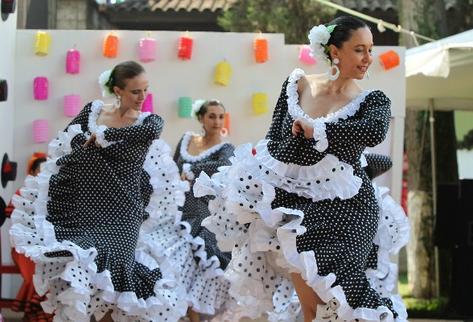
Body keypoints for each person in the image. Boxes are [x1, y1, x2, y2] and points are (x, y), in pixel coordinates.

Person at [194, 16, 408, 322]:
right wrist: (295, 140)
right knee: (312, 308)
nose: (368, 58)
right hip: (295, 209)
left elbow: (372, 132)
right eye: (359, 49)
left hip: (348, 211)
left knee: (341, 300)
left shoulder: (371, 101)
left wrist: (317, 132)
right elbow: (274, 140)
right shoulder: (298, 85)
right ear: (335, 51)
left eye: (370, 50)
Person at [9, 61, 190, 322]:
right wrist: (85, 143)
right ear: (118, 90)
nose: (142, 97)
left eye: (145, 91)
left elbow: (147, 131)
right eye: (135, 92)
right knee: (88, 277)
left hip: (125, 213)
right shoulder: (92, 111)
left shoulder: (149, 122)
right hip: (88, 209)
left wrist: (104, 137)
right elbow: (68, 143)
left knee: (116, 278)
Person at [173, 100, 236, 322]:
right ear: (201, 118)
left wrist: (191, 172)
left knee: (199, 263)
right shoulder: (187, 141)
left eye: (221, 116)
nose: (217, 121)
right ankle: (187, 316)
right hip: (178, 212)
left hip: (204, 214)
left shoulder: (226, 149)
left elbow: (222, 169)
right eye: (212, 116)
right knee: (178, 266)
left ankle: (197, 317)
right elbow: (173, 168)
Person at [5, 152, 53, 322]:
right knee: (34, 276)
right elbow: (13, 218)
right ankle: (34, 314)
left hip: (47, 245)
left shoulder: (52, 192)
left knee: (50, 274)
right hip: (24, 246)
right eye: (41, 168)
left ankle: (36, 315)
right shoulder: (22, 192)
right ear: (32, 172)